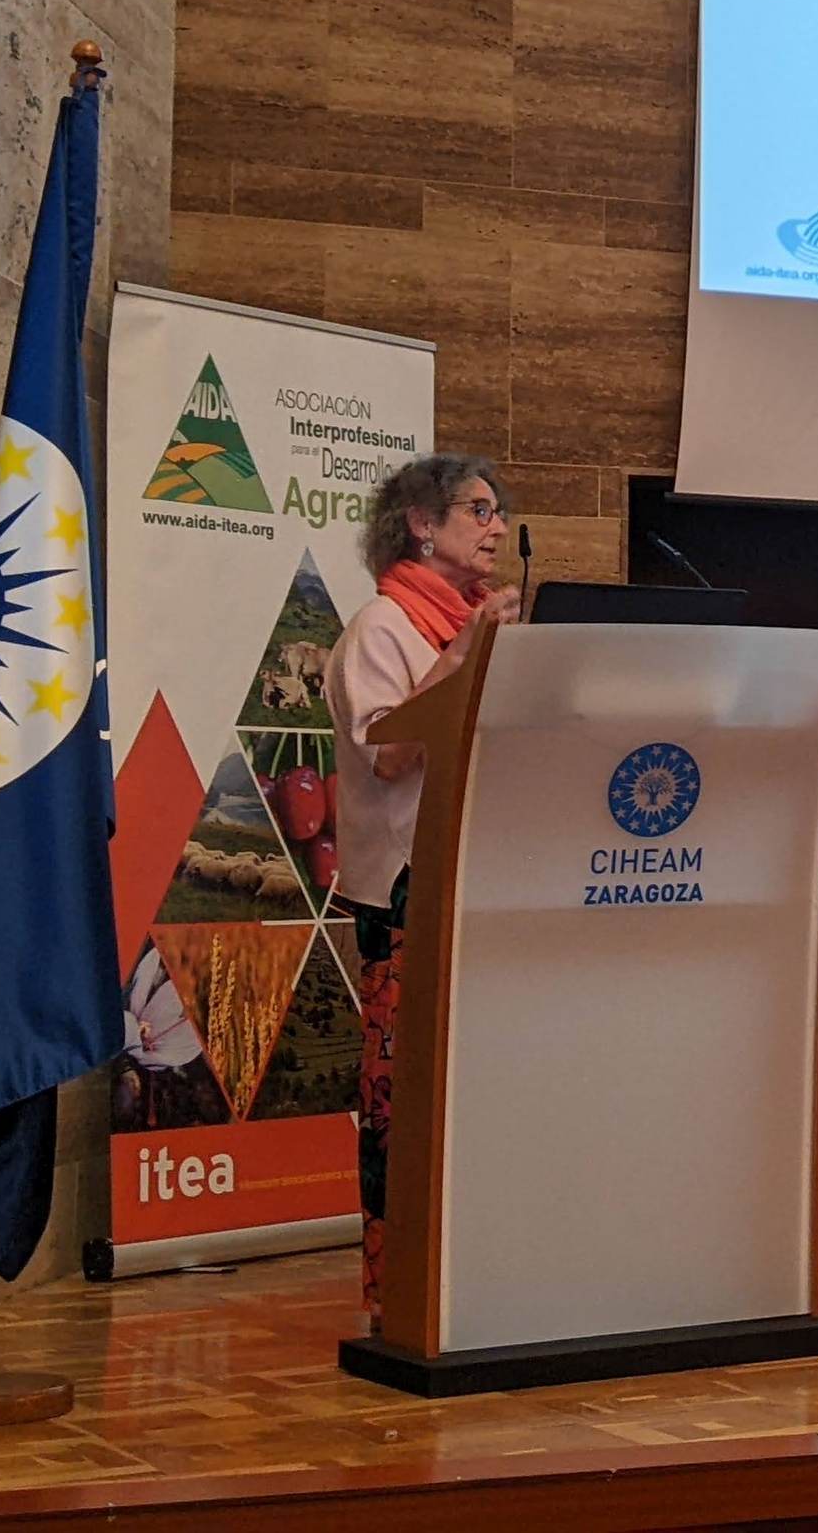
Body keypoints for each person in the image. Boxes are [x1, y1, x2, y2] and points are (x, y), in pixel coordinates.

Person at [323, 454, 518, 1322]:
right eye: (478, 509)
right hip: (407, 891)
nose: (497, 527)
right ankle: (396, 1293)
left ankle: (479, 1275)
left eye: (498, 512)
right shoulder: (382, 629)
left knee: (481, 1095)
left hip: (483, 875)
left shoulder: (473, 625)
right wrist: (466, 656)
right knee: (401, 1100)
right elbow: (392, 754)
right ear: (421, 524)